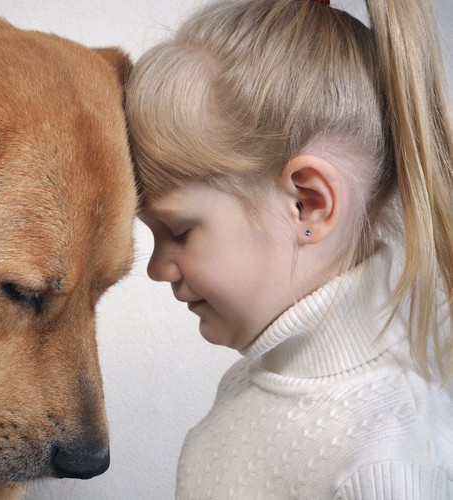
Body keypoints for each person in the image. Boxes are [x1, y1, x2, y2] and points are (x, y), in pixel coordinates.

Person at [126, 0, 453, 497]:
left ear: (307, 204)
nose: (155, 269)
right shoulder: (248, 385)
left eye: (181, 231)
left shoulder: (388, 458)